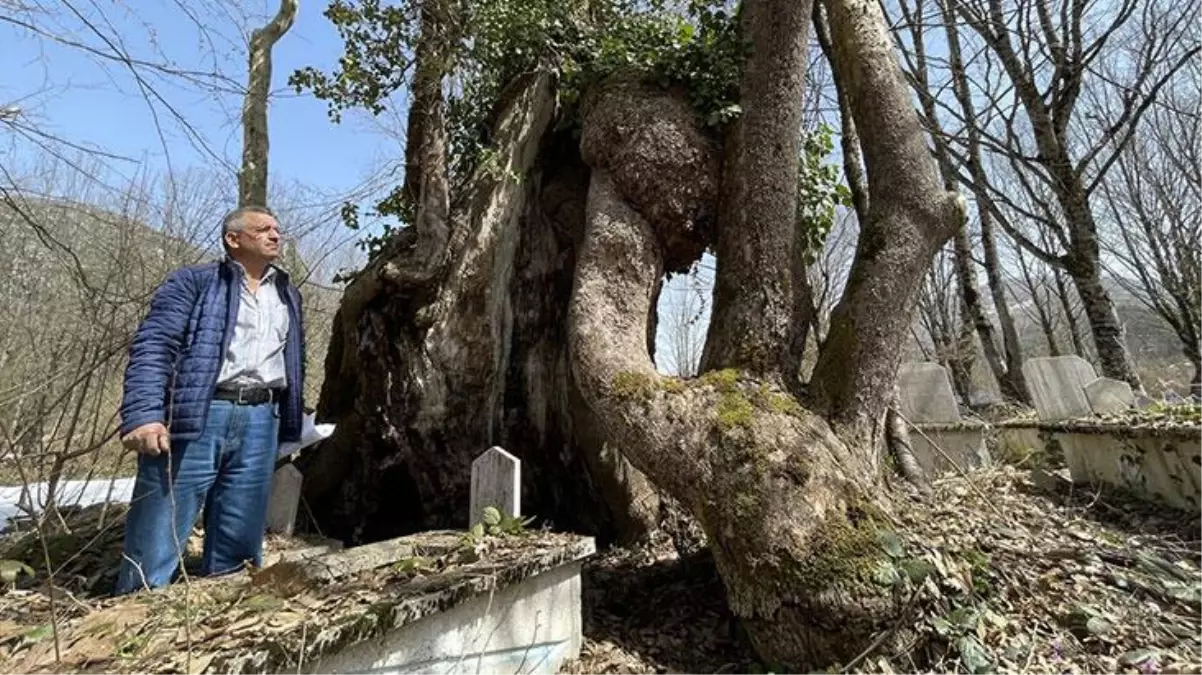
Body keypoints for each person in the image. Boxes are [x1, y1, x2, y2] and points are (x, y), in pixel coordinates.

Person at [114, 205, 305, 595]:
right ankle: (136, 619)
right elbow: (154, 346)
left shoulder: (287, 292)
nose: (275, 235)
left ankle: (221, 612)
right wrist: (143, 415)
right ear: (233, 239)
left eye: (277, 229)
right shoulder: (196, 282)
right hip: (198, 415)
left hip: (260, 419)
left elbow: (291, 359)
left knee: (240, 541)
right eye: (263, 229)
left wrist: (293, 413)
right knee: (158, 533)